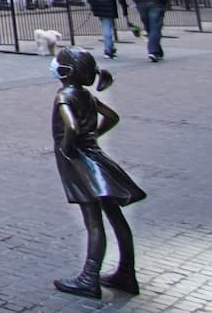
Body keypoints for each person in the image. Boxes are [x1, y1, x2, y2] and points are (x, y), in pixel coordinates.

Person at [37, 31, 146, 299]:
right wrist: (95, 135)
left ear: (65, 72)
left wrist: (67, 147)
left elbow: (71, 126)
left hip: (79, 162)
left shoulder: (64, 95)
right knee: (115, 216)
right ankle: (126, 272)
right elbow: (112, 116)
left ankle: (89, 277)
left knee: (93, 221)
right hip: (97, 159)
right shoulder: (86, 95)